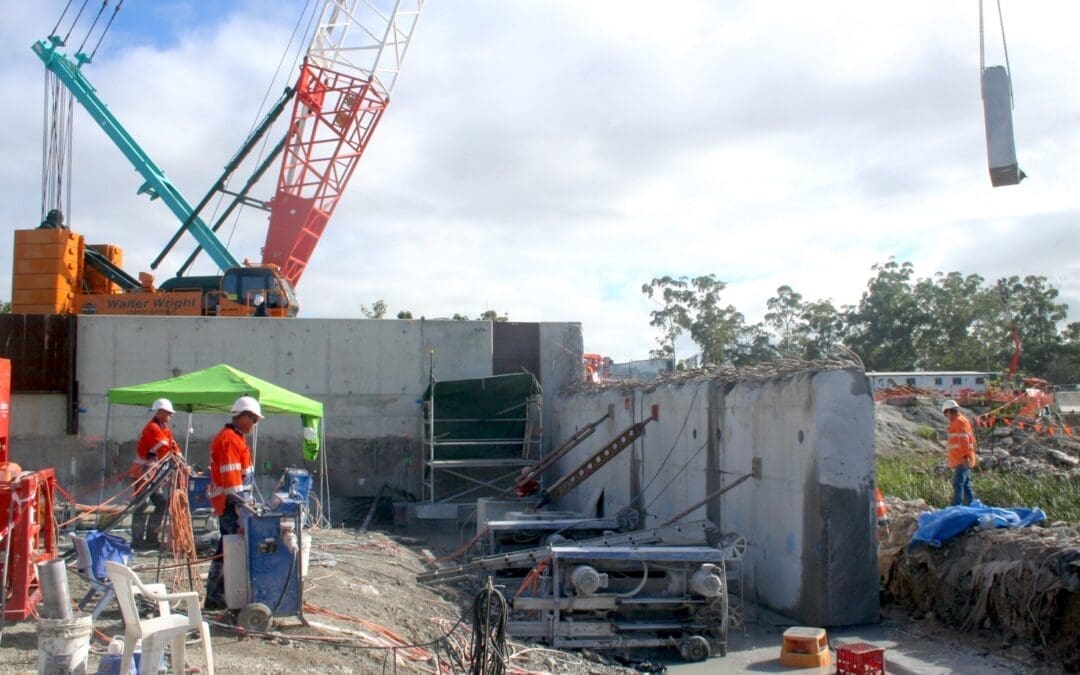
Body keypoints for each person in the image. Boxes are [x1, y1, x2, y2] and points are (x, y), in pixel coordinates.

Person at [204, 396, 264, 610]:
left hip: (233, 504)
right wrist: (243, 513)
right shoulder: (229, 439)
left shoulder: (236, 438)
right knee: (230, 550)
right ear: (243, 417)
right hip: (231, 506)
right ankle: (217, 596)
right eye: (253, 419)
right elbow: (232, 485)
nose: (255, 424)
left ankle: (217, 596)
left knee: (226, 548)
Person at [130, 398, 181, 550]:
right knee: (141, 505)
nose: (171, 415)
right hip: (144, 472)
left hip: (153, 472)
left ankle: (151, 538)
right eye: (168, 413)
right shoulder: (153, 428)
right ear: (160, 413)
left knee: (161, 504)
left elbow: (172, 445)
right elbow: (164, 449)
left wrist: (180, 458)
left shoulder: (163, 428)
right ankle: (138, 540)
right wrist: (176, 458)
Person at [943, 399, 977, 506]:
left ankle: (956, 507)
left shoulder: (959, 421)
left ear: (949, 411)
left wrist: (965, 457)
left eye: (946, 414)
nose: (946, 417)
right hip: (962, 459)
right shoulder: (960, 421)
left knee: (958, 483)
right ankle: (972, 504)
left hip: (961, 460)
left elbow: (964, 440)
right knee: (965, 485)